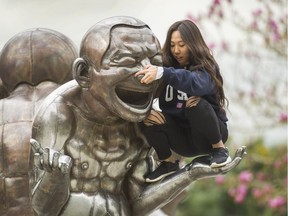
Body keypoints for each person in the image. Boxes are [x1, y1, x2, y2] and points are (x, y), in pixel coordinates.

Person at [135, 19, 232, 183]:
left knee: (195, 105)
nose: (176, 50)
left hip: (209, 136)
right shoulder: (166, 68)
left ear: (193, 44)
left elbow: (197, 85)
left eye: (181, 44)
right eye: (172, 45)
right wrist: (146, 113)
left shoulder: (206, 68)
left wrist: (163, 73)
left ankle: (220, 151)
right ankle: (168, 162)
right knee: (147, 116)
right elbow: (148, 92)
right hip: (182, 141)